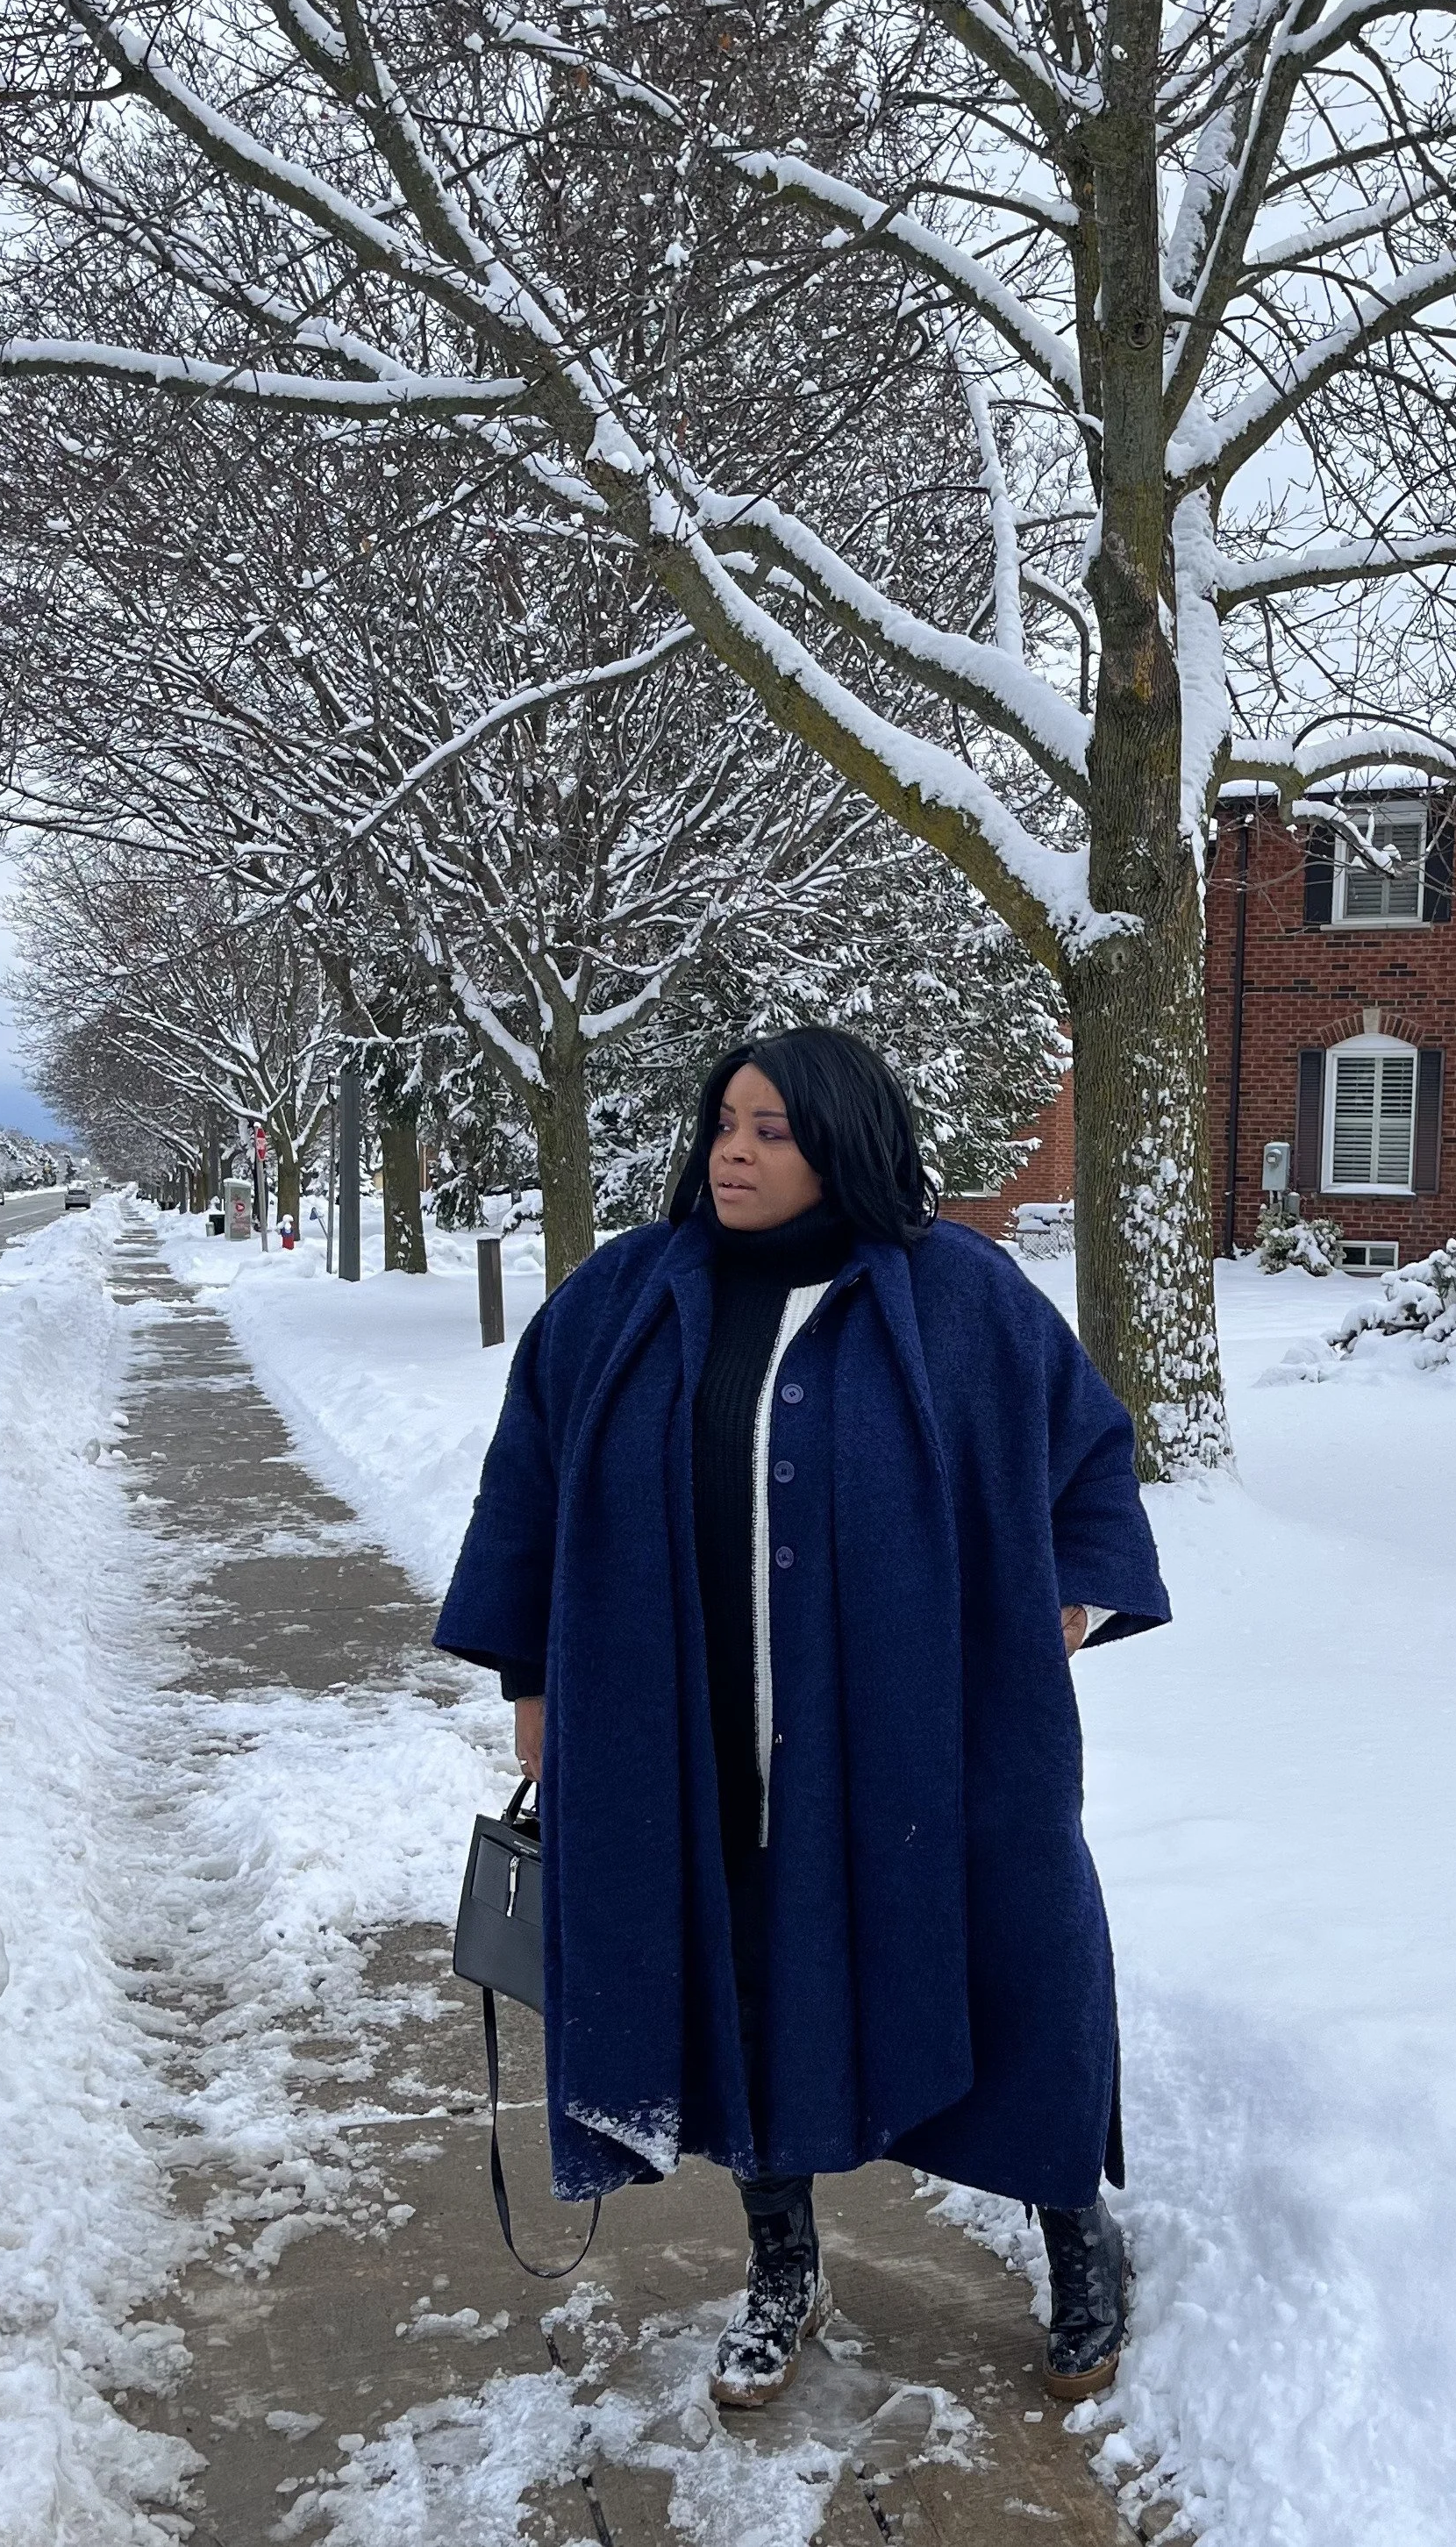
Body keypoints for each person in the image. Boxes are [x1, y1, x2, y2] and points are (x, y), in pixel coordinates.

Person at [436, 1028, 1169, 2409]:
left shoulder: (960, 1296)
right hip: (691, 1741)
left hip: (928, 1745)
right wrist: (530, 1686)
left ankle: (1073, 2229)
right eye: (723, 1119)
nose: (734, 1148)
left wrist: (1060, 1611)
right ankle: (781, 2265)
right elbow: (524, 1487)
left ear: (844, 1140)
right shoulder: (621, 1298)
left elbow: (1087, 1457)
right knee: (741, 1993)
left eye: (771, 1127)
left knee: (1015, 1963)